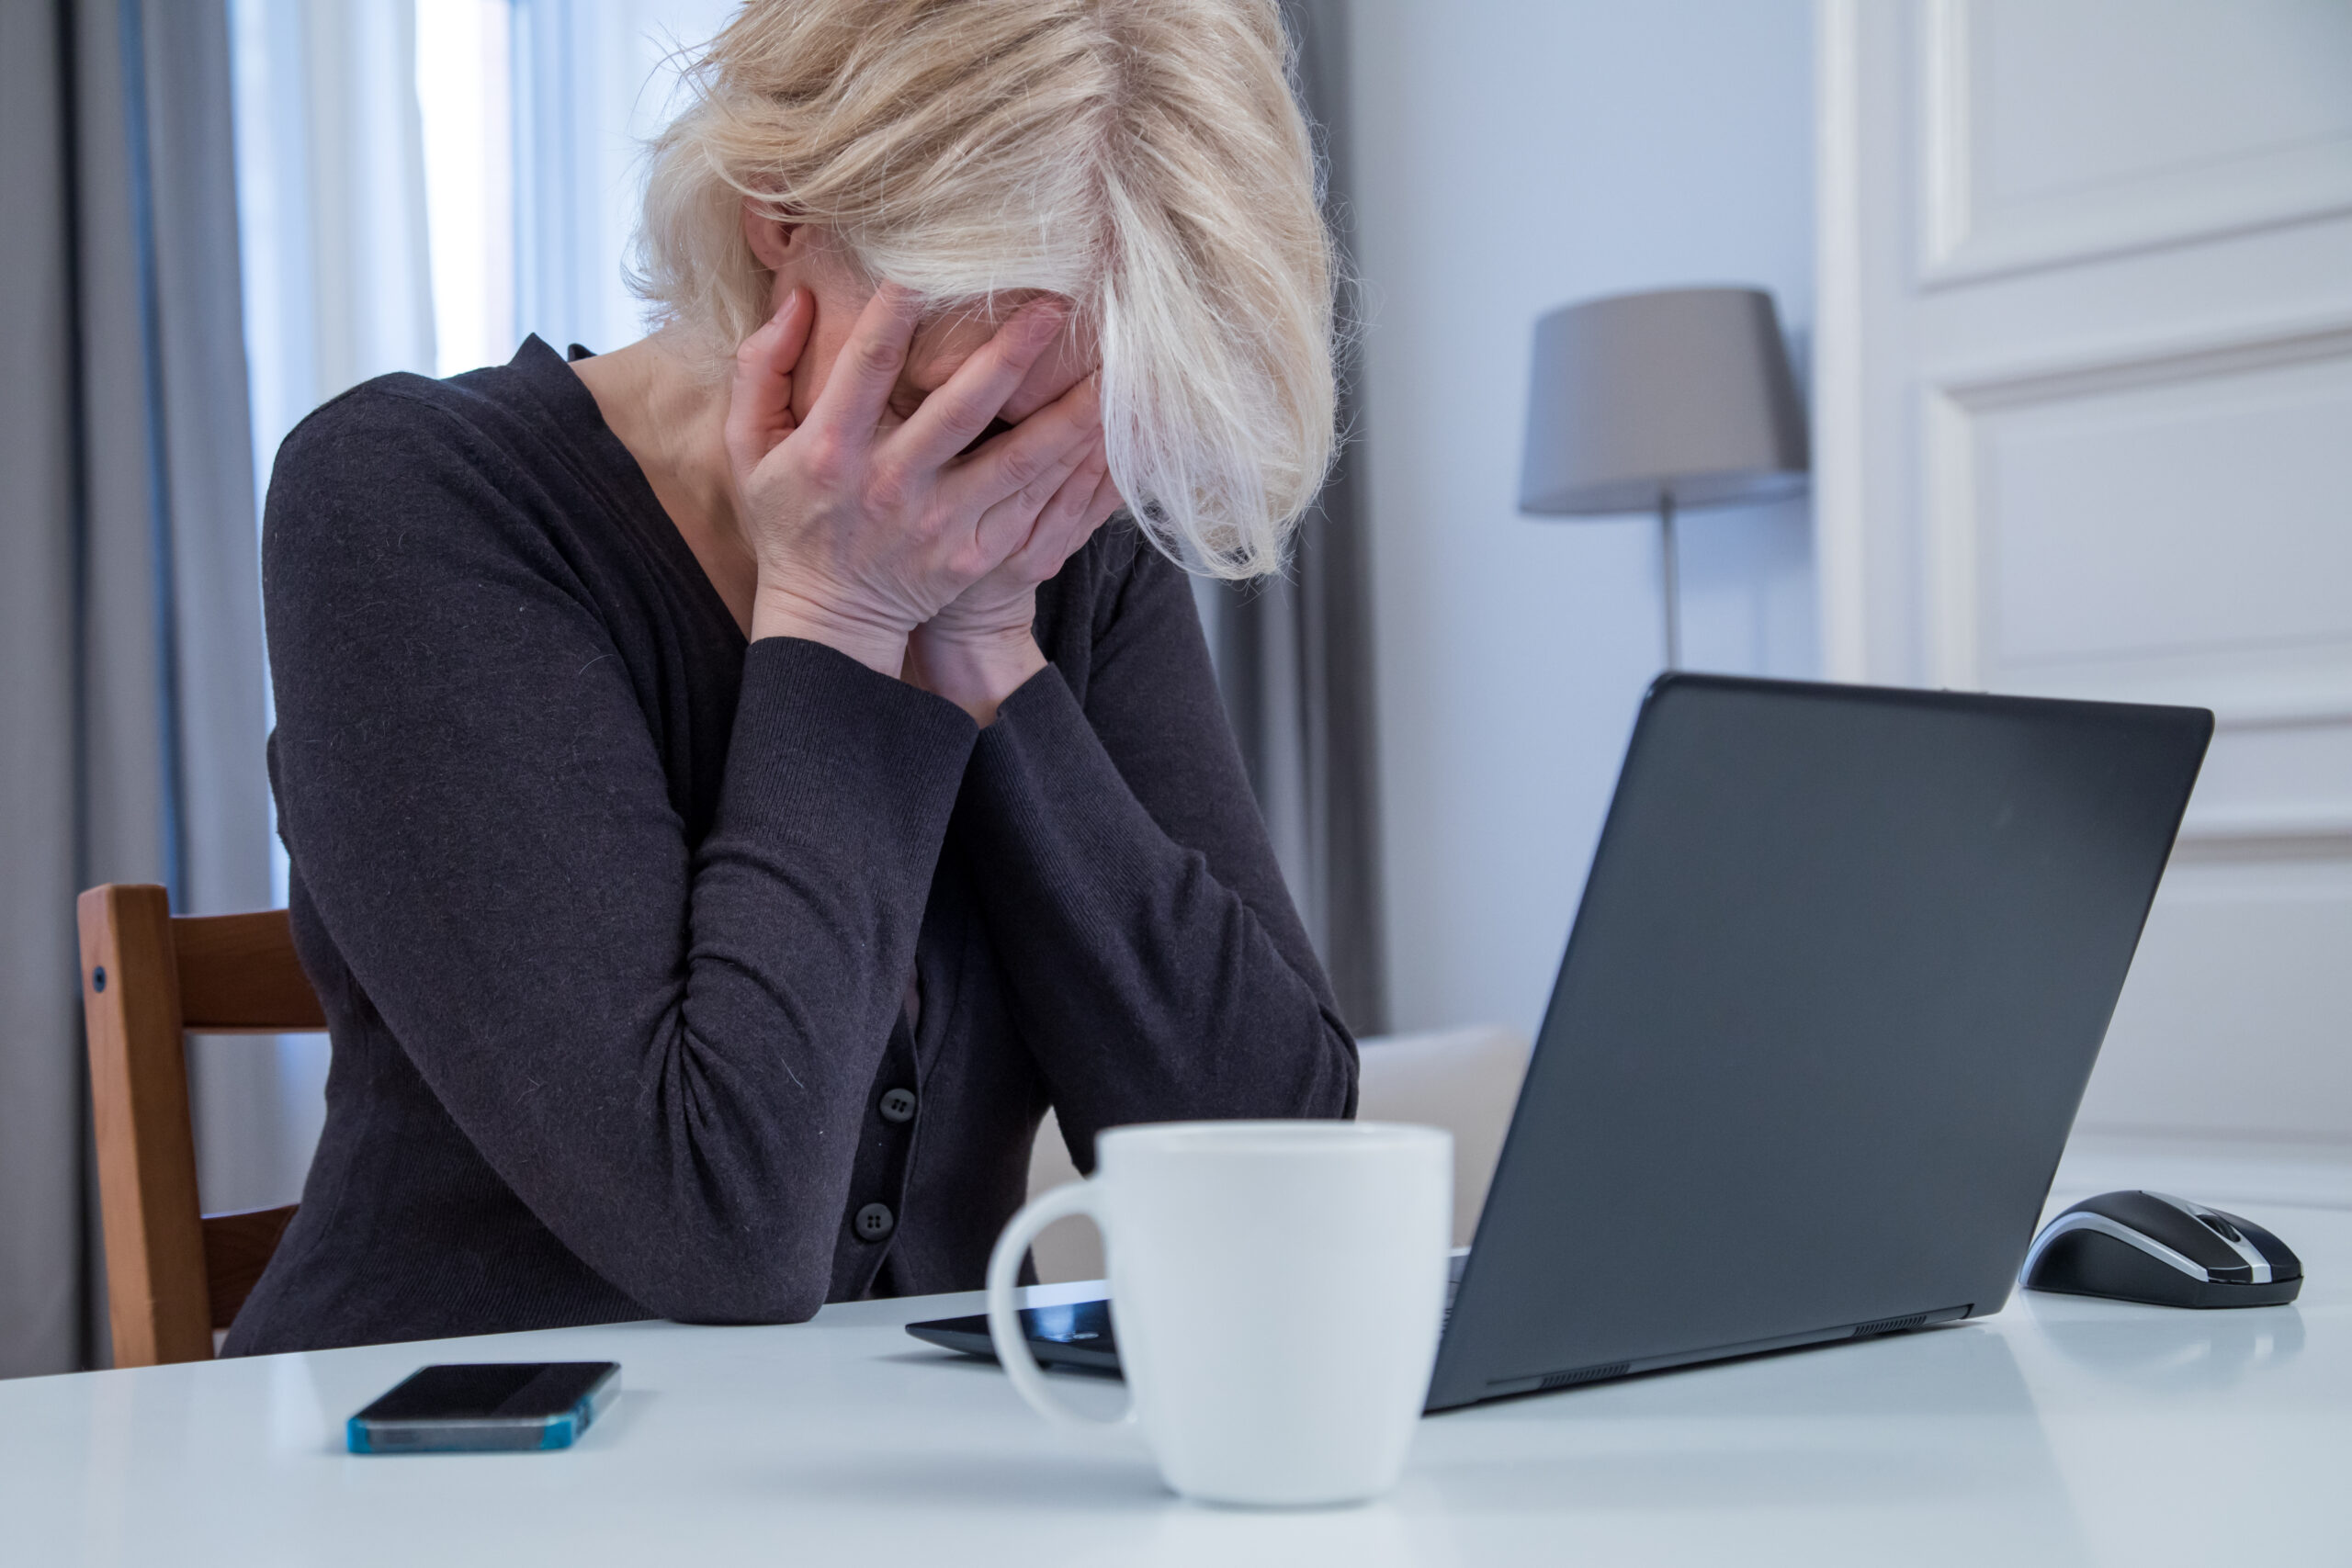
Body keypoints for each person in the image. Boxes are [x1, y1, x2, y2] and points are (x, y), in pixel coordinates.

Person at [224, 0, 1356, 1355]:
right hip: (471, 1471)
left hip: (916, 1472)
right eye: (976, 410)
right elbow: (724, 1227)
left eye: (1095, 422)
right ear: (781, 209)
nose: (1025, 481)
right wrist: (840, 614)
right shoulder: (410, 502)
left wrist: (996, 657)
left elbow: (1287, 1177)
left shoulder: (1064, 522)